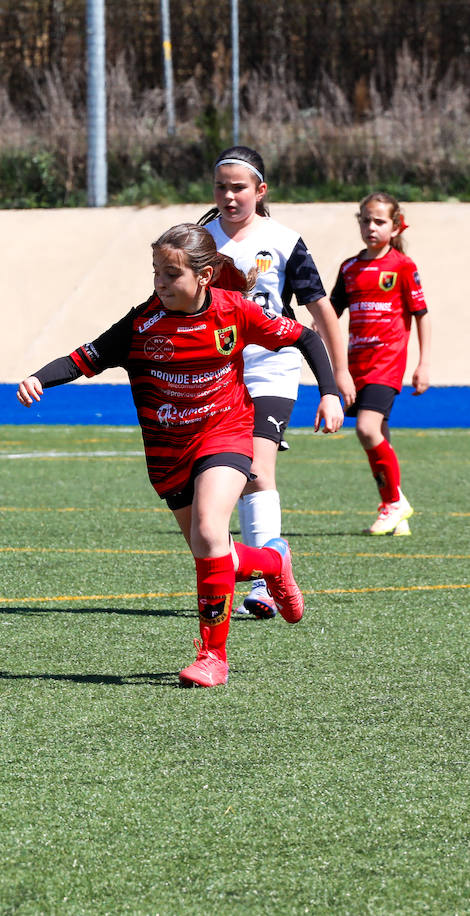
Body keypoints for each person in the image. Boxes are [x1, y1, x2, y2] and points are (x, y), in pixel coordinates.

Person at [17, 223, 344, 688]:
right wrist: (38, 378)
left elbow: (306, 338)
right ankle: (274, 562)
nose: (160, 282)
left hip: (226, 433)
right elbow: (84, 357)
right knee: (211, 552)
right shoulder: (142, 323)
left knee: (210, 533)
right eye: (156, 272)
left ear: (204, 276)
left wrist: (329, 393)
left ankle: (213, 657)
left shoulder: (235, 311)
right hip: (167, 450)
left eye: (171, 274)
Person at [200, 146, 354, 619]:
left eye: (239, 188)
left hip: (272, 367)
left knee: (255, 468)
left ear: (260, 190)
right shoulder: (199, 240)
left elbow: (320, 311)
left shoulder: (284, 241)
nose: (229, 196)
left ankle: (265, 582)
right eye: (221, 187)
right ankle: (260, 563)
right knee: (219, 477)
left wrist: (337, 378)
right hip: (218, 373)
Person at [330, 191, 431, 535]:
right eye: (365, 221)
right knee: (380, 434)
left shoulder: (402, 266)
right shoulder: (350, 268)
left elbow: (421, 315)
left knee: (366, 429)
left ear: (395, 226)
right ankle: (396, 506)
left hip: (386, 363)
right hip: (356, 365)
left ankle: (393, 504)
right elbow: (332, 312)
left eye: (379, 221)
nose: (371, 227)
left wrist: (423, 363)